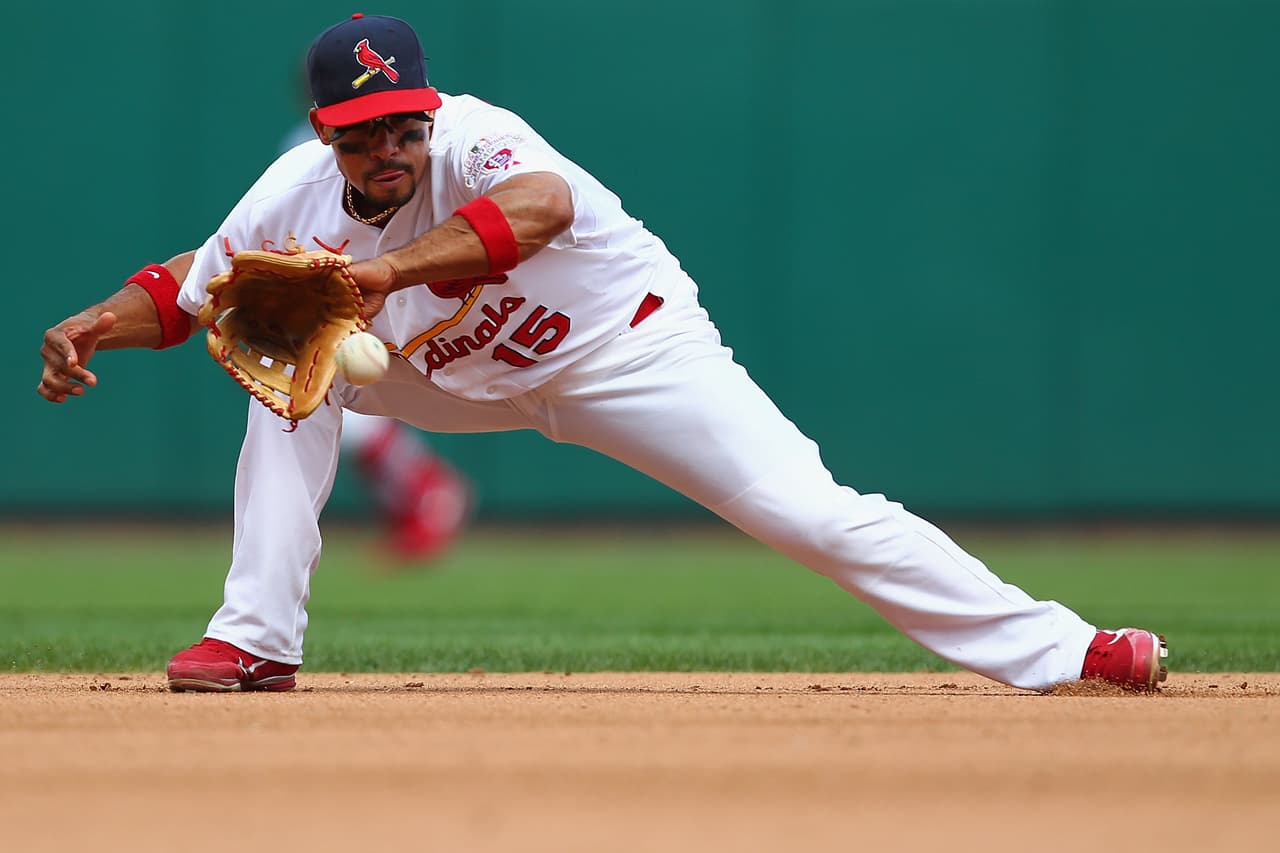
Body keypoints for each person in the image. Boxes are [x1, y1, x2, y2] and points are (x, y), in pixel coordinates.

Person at [38, 13, 1167, 694]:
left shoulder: (476, 136)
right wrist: (99, 320)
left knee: (811, 514)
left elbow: (539, 207)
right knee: (289, 372)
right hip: (449, 374)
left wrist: (388, 271)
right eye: (365, 130)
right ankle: (255, 642)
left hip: (623, 351)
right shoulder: (290, 193)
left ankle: (1068, 650)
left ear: (429, 110)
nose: (391, 145)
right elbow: (194, 289)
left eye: (405, 122)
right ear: (326, 131)